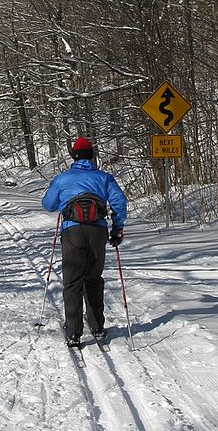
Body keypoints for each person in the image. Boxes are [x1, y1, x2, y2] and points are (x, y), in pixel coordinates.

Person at [41, 136, 127, 347]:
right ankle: (97, 327)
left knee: (72, 281)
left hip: (72, 232)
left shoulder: (63, 178)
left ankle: (73, 332)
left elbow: (48, 204)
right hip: (97, 231)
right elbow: (119, 202)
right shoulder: (105, 178)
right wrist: (117, 228)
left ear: (74, 156)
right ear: (92, 156)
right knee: (93, 278)